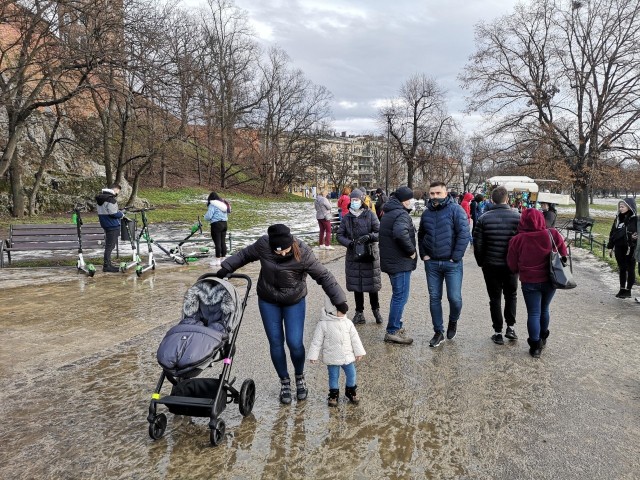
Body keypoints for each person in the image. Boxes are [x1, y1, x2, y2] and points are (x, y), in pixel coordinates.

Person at [214, 224, 348, 404]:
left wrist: (339, 301)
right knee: (276, 342)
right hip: (268, 300)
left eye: (285, 250)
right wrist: (226, 268)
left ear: (291, 243)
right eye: (278, 252)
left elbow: (324, 276)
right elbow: (244, 255)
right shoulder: (263, 245)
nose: (283, 254)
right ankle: (284, 381)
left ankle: (299, 377)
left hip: (294, 301)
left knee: (294, 342)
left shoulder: (303, 251)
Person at [507, 208, 568, 358]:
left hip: (529, 281)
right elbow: (564, 252)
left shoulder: (517, 239)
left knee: (533, 312)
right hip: (550, 279)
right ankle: (543, 337)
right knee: (545, 308)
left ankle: (535, 346)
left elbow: (512, 265)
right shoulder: (551, 233)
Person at [418, 181, 470, 348]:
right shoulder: (426, 213)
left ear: (445, 193)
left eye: (438, 193)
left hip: (451, 264)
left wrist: (455, 257)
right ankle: (438, 331)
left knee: (454, 298)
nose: (435, 196)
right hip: (432, 263)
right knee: (434, 298)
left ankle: (453, 321)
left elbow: (464, 234)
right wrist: (424, 254)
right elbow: (421, 235)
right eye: (432, 193)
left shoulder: (456, 210)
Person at [473, 186, 521, 344]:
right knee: (511, 295)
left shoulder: (484, 218)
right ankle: (511, 327)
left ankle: (498, 331)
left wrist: (481, 262)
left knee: (495, 298)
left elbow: (478, 244)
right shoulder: (517, 217)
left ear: (492, 200)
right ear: (507, 199)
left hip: (491, 264)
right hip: (511, 265)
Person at [308, 296, 366, 407]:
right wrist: (313, 355)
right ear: (332, 310)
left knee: (352, 374)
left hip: (347, 356)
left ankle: (351, 391)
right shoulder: (323, 324)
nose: (344, 313)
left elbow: (355, 338)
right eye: (341, 311)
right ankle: (333, 394)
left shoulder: (348, 323)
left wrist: (359, 352)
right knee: (334, 376)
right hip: (332, 357)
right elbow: (316, 341)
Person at [337, 189, 382, 325]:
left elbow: (379, 232)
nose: (354, 202)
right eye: (353, 199)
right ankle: (359, 312)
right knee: (357, 285)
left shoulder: (370, 215)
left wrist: (370, 237)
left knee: (372, 285)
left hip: (369, 254)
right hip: (353, 255)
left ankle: (376, 310)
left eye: (357, 199)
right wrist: (349, 244)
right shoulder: (347, 217)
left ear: (362, 200)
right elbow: (340, 235)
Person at [378, 186, 417, 345]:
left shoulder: (389, 212)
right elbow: (400, 233)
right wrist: (411, 251)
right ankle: (392, 331)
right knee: (400, 296)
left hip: (392, 261)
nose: (412, 201)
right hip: (399, 262)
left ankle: (396, 325)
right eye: (411, 199)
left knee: (399, 295)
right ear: (404, 200)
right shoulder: (401, 214)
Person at [607, 198, 637, 299]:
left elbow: (636, 233)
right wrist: (610, 247)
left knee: (631, 268)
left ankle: (628, 290)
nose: (620, 209)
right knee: (622, 268)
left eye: (623, 206)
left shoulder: (635, 219)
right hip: (619, 247)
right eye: (619, 207)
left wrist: (633, 237)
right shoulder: (618, 218)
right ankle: (622, 289)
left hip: (630, 247)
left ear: (629, 207)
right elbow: (612, 233)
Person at [95, 184, 124, 272]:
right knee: (110, 246)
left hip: (105, 224)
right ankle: (107, 266)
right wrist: (122, 214)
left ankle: (108, 264)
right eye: (118, 191)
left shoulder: (100, 198)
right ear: (115, 189)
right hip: (112, 225)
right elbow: (113, 213)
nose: (117, 193)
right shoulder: (111, 200)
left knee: (109, 245)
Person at [204, 192, 229, 266]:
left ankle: (217, 260)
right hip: (224, 224)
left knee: (217, 243)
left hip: (216, 225)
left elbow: (208, 216)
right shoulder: (223, 204)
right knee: (223, 242)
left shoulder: (213, 204)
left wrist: (204, 217)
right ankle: (223, 259)